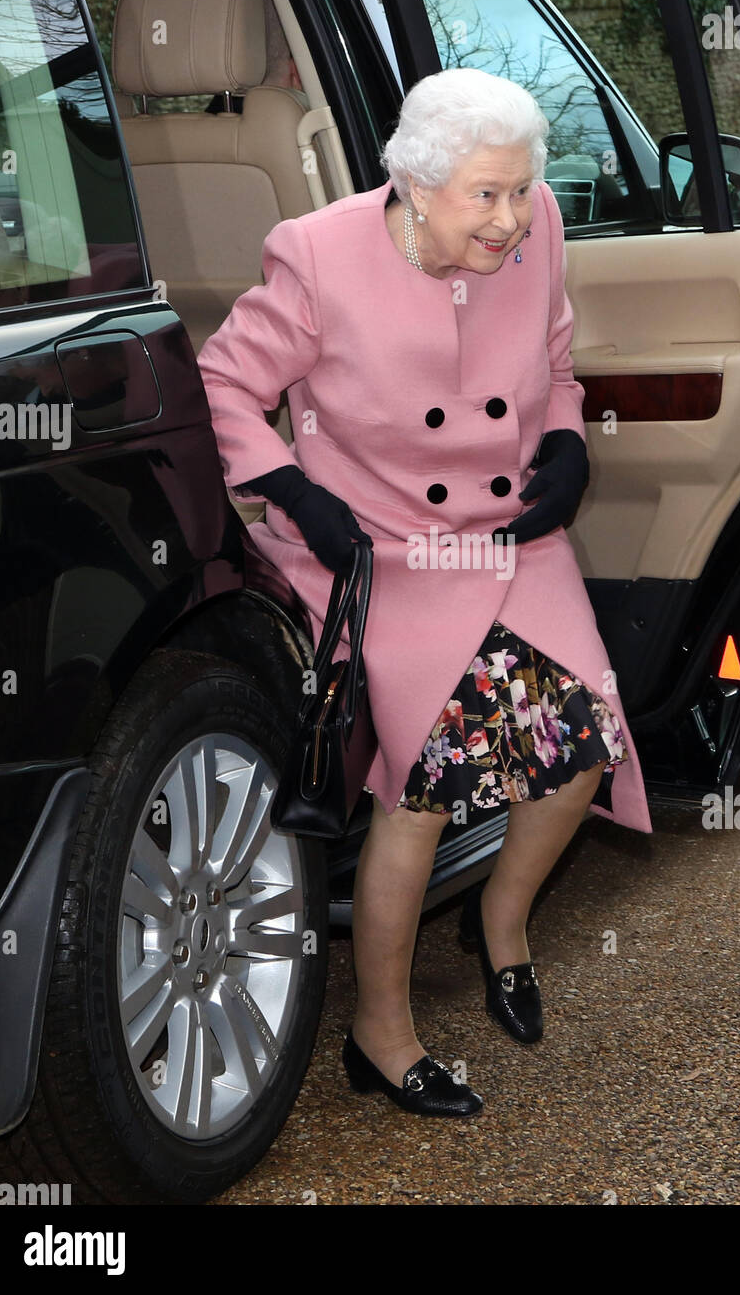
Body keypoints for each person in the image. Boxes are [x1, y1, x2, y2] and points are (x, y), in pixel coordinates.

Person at [196, 66, 653, 1119]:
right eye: (482, 196)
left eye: (518, 190)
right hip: (388, 547)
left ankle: (500, 916)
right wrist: (286, 488)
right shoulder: (318, 255)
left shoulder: (535, 225)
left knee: (583, 744)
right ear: (413, 180)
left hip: (507, 537)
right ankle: (380, 1033)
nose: (508, 219)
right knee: (429, 779)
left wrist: (565, 444)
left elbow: (556, 359)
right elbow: (226, 380)